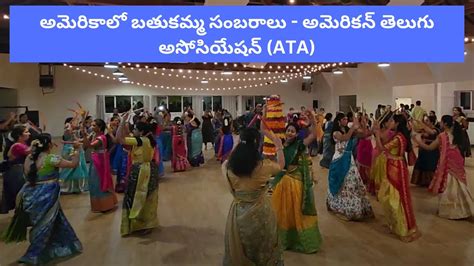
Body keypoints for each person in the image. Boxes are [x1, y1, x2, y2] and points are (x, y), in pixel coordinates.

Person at [1, 134, 82, 265]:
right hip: (47, 195)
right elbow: (73, 164)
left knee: (49, 221)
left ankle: (57, 247)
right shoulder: (51, 159)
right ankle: (34, 254)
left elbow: (27, 176)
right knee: (44, 224)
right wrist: (77, 150)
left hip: (30, 194)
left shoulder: (29, 158)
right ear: (49, 145)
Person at [222, 126, 285, 265]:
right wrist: (278, 145)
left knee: (241, 247)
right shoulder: (264, 167)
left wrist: (236, 145)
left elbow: (228, 159)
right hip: (262, 213)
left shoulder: (228, 167)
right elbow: (281, 165)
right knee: (263, 248)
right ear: (257, 145)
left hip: (239, 214)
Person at [271, 109, 322, 254]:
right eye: (288, 130)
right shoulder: (281, 144)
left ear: (297, 133)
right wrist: (264, 115)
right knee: (283, 212)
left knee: (297, 211)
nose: (290, 133)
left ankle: (299, 239)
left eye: (293, 131)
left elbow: (314, 134)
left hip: (295, 182)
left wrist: (312, 118)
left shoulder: (299, 145)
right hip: (283, 182)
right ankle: (284, 239)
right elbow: (265, 131)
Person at [414, 115, 473, 219]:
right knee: (459, 186)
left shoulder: (442, 136)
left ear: (445, 124)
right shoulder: (457, 134)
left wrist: (418, 140)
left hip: (447, 163)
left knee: (448, 186)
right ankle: (464, 208)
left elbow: (429, 147)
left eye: (441, 122)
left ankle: (451, 211)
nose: (440, 123)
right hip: (457, 162)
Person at [374, 114, 421, 242]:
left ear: (397, 123)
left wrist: (377, 134)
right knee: (392, 196)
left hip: (395, 168)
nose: (389, 122)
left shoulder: (398, 138)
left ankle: (403, 228)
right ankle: (396, 224)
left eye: (391, 121)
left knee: (395, 198)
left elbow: (382, 148)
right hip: (396, 165)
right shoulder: (399, 136)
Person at [117, 116, 160, 236]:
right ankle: (146, 223)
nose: (133, 131)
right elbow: (125, 135)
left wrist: (122, 122)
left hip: (141, 171)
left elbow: (120, 139)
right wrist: (124, 123)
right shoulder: (148, 139)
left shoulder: (140, 140)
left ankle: (141, 223)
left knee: (137, 196)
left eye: (135, 129)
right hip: (149, 170)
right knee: (147, 197)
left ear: (141, 132)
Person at [327, 113, 374, 221]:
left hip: (349, 159)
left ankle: (354, 208)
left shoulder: (348, 129)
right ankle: (341, 207)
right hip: (339, 159)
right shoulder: (336, 132)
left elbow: (363, 135)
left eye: (347, 119)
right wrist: (353, 128)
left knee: (352, 182)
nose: (346, 120)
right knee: (343, 182)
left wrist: (367, 127)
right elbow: (344, 138)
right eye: (344, 119)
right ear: (339, 121)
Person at [82, 119, 118, 213]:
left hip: (100, 162)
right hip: (95, 160)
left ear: (99, 127)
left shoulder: (101, 138)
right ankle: (98, 205)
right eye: (92, 125)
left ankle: (104, 205)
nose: (92, 127)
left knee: (98, 181)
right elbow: (85, 146)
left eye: (94, 126)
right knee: (94, 181)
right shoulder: (94, 135)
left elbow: (89, 146)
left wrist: (84, 135)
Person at [0, 126, 30, 214]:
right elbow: (32, 152)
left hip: (19, 171)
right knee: (20, 195)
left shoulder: (22, 144)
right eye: (26, 132)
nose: (29, 134)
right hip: (16, 173)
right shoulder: (18, 146)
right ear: (19, 136)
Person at [59, 117, 89, 194]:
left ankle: (77, 187)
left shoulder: (75, 131)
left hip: (77, 149)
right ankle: (66, 187)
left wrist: (83, 116)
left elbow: (82, 126)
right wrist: (68, 125)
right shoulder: (67, 130)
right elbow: (68, 139)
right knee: (69, 169)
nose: (76, 123)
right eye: (75, 122)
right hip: (69, 150)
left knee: (79, 168)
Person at [411, 115, 440, 187]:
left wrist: (421, 124)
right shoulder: (424, 130)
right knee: (421, 163)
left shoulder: (436, 130)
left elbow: (431, 133)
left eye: (427, 121)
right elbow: (416, 129)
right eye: (425, 120)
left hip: (432, 151)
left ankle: (430, 182)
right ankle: (422, 181)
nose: (425, 122)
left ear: (432, 122)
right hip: (423, 150)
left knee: (430, 165)